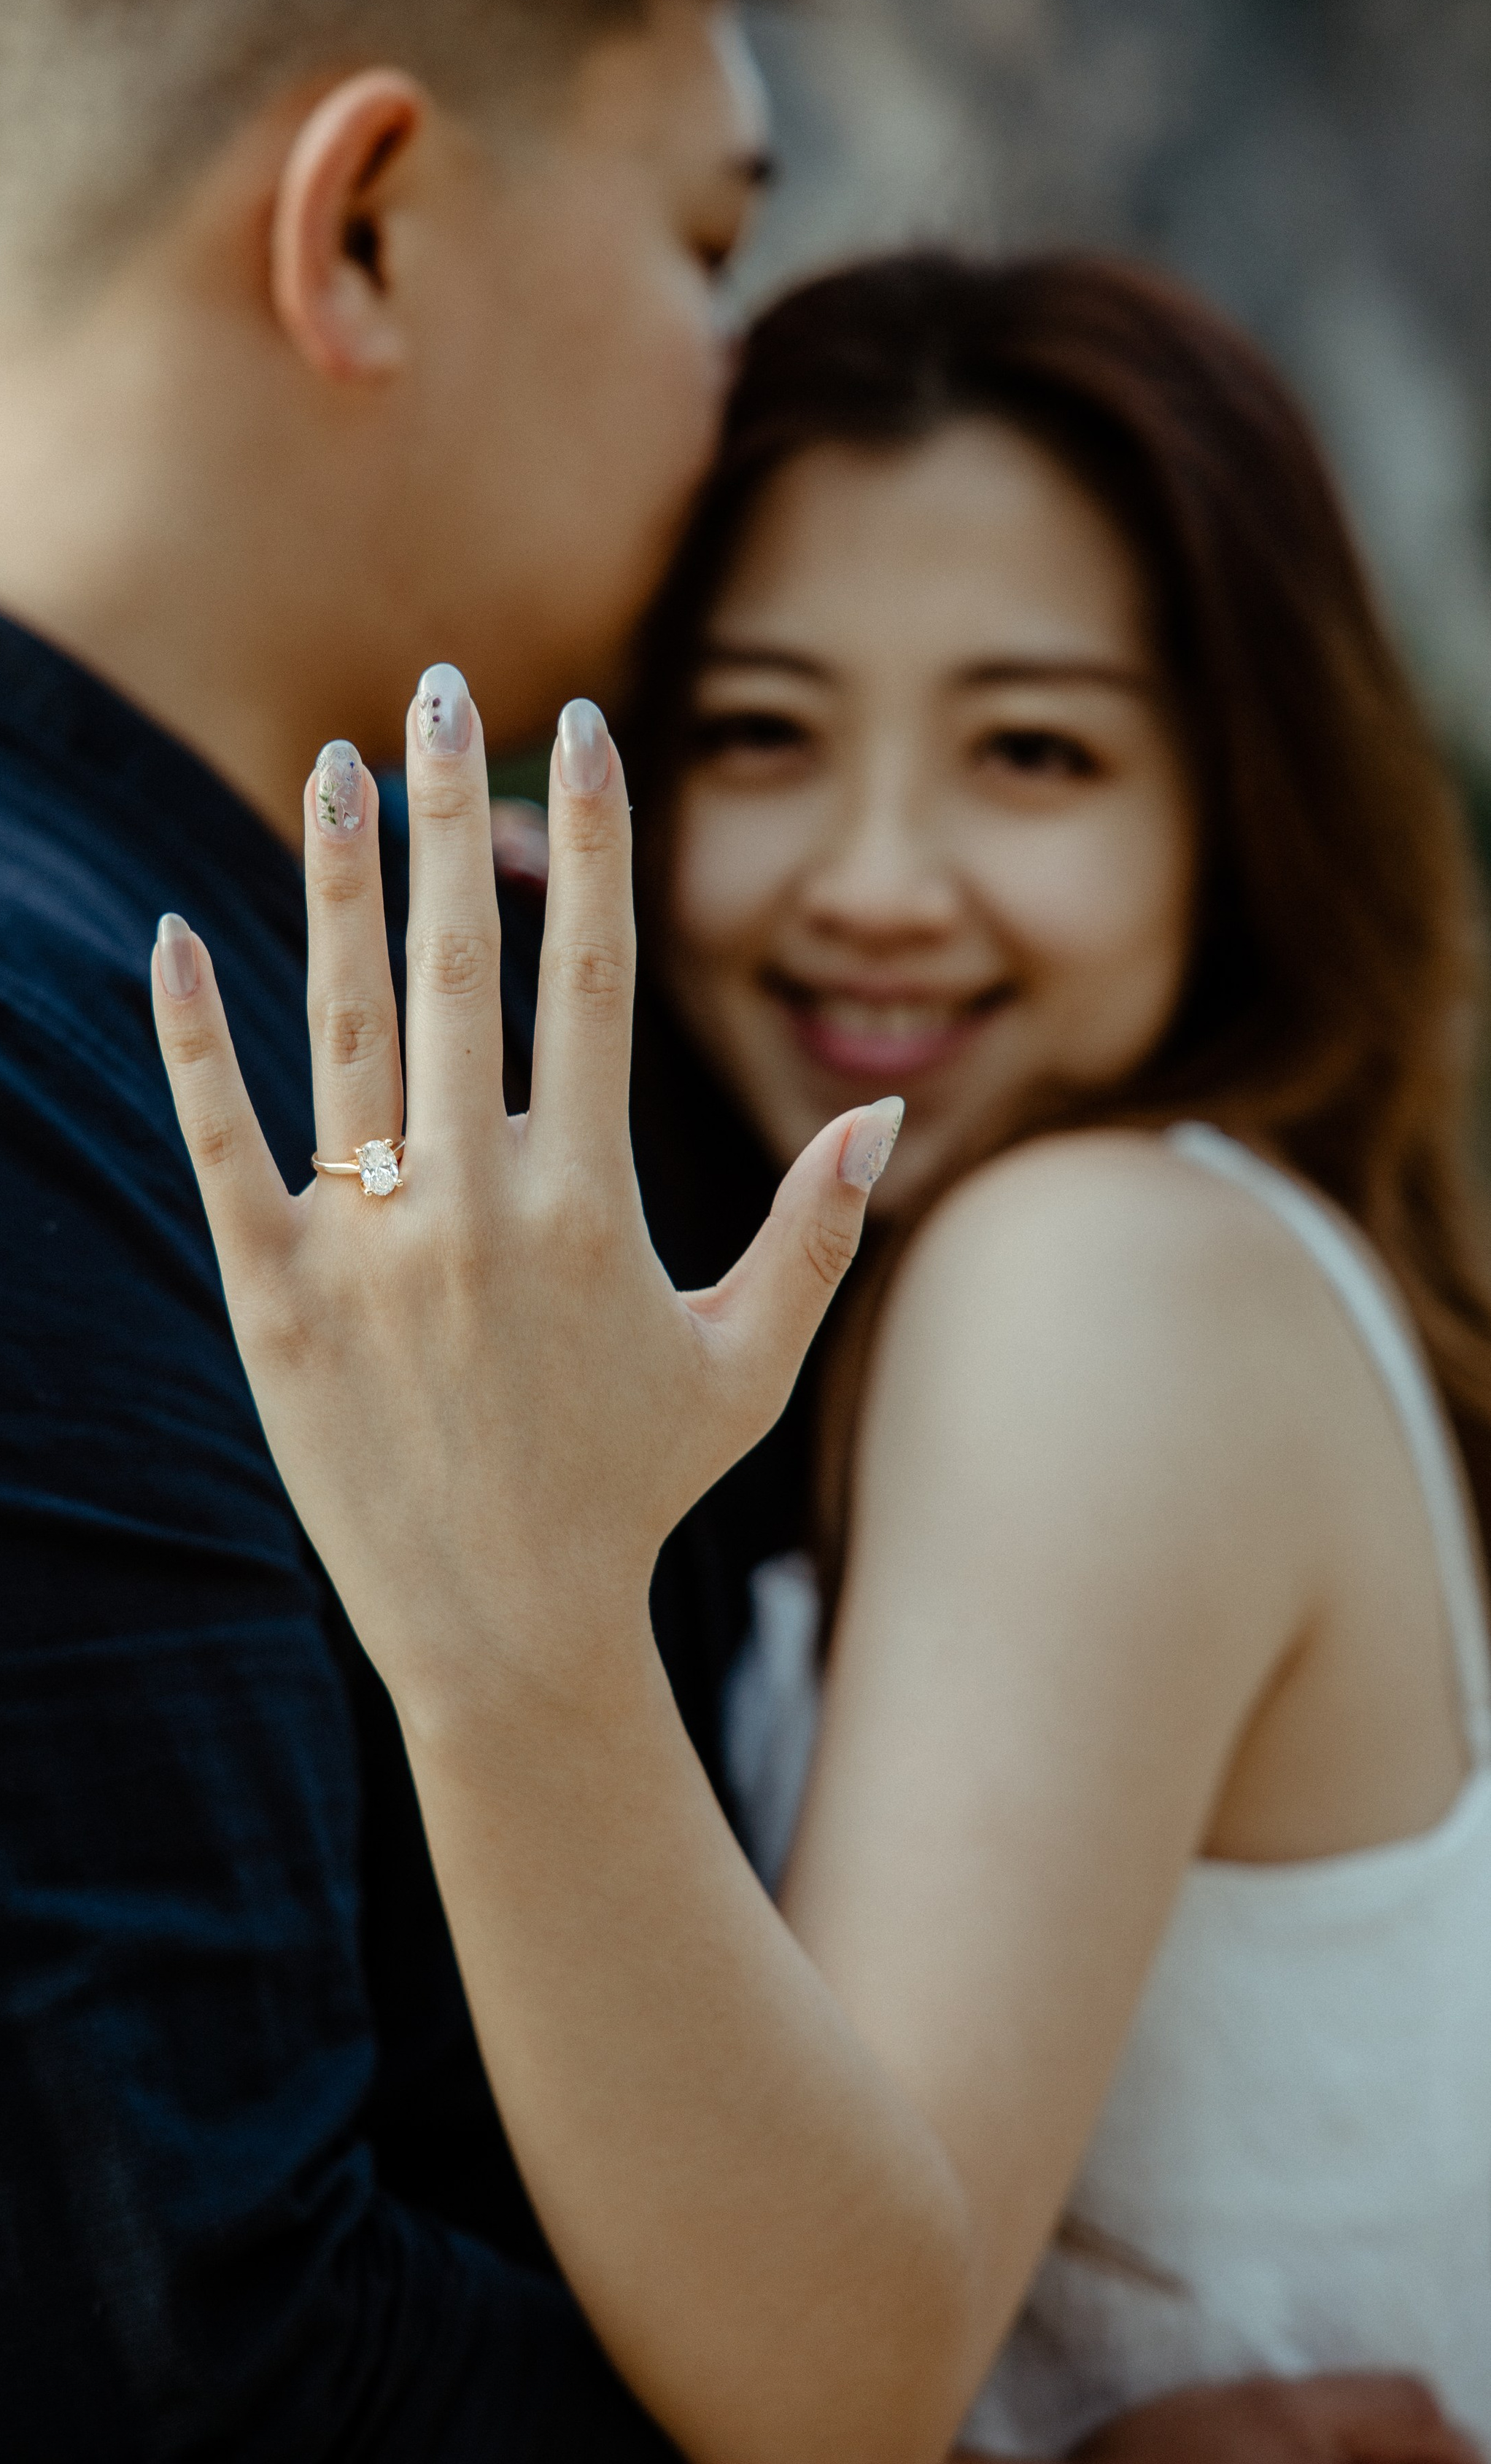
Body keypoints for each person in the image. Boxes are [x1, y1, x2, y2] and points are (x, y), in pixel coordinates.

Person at [0, 0, 1459, 2443]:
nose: (737, 377)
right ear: (364, 229)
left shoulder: (366, 987)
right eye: (706, 245)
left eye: (1036, 748)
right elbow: (139, 2401)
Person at [152, 257, 1491, 2462]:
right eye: (761, 737)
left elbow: (837, 2384)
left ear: (1240, 808)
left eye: (1034, 752)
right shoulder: (1046, 1262)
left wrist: (505, 1621)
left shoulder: (1097, 1273)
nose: (873, 883)